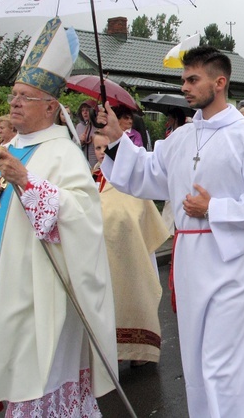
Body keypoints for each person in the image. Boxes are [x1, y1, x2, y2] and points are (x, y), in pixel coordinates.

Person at [99, 45, 244, 417]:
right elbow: (146, 176)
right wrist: (118, 140)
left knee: (223, 365)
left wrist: (212, 208)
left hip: (228, 262)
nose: (184, 86)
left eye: (192, 79)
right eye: (183, 79)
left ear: (220, 81)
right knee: (196, 363)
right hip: (189, 264)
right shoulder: (181, 138)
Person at [0, 17, 117, 414]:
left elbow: (84, 217)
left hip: (40, 295)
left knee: (37, 381)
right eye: (14, 94)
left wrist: (28, 182)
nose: (14, 103)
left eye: (25, 97)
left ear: (49, 106)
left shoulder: (62, 153)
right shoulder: (5, 148)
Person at [93, 132, 169, 365]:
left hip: (132, 257)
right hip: (98, 256)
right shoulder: (88, 179)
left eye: (107, 147)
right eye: (98, 148)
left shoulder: (132, 183)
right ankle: (107, 351)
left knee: (134, 298)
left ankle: (138, 349)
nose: (103, 153)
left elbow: (142, 222)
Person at [75, 100, 98, 166]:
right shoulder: (79, 127)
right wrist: (80, 142)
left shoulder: (99, 126)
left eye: (87, 110)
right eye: (82, 110)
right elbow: (73, 147)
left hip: (96, 166)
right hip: (83, 166)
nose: (84, 112)